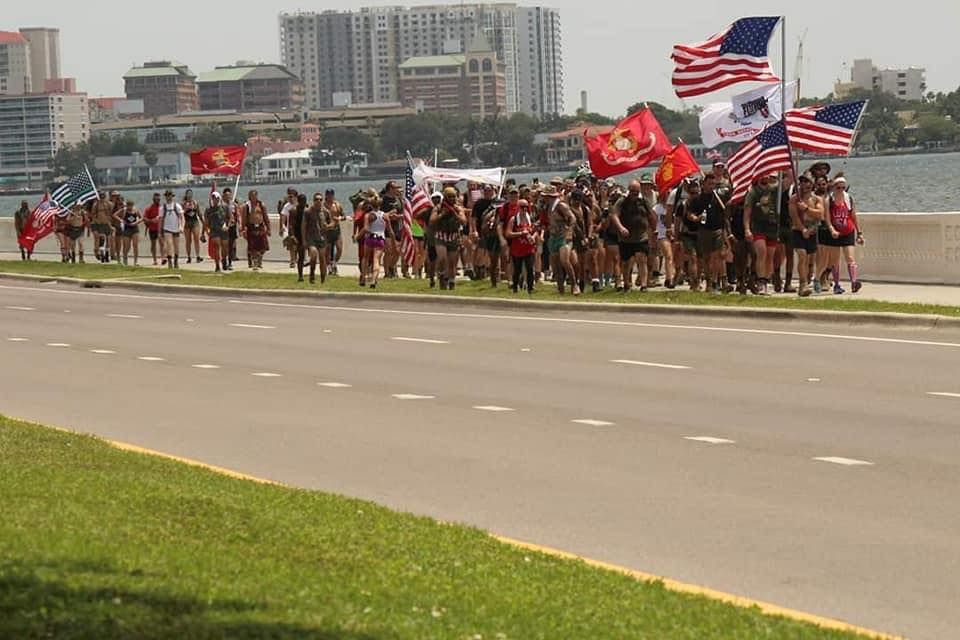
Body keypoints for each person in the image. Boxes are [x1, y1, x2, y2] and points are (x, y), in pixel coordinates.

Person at [610, 180, 657, 293]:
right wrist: (621, 228)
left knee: (641, 259)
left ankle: (644, 285)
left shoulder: (643, 201)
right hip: (626, 237)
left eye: (636, 192)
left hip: (641, 235)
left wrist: (653, 230)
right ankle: (626, 284)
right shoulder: (622, 201)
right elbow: (614, 215)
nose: (634, 194)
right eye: (632, 192)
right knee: (626, 262)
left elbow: (651, 215)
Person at [688, 174, 729, 293]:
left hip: (718, 230)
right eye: (709, 184)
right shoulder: (698, 199)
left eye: (713, 184)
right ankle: (709, 282)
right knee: (706, 258)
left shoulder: (718, 197)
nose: (712, 186)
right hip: (704, 231)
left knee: (717, 256)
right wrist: (696, 218)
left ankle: (716, 281)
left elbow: (727, 209)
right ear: (704, 184)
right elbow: (690, 213)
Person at [825, 176, 864, 294]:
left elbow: (853, 216)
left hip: (848, 231)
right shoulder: (829, 200)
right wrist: (831, 229)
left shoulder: (849, 199)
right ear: (834, 187)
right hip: (835, 233)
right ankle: (837, 284)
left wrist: (859, 233)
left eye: (843, 187)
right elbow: (827, 218)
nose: (841, 189)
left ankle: (854, 282)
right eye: (838, 187)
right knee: (835, 260)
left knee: (850, 258)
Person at [743, 173, 781, 295]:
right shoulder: (753, 192)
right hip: (759, 226)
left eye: (768, 175)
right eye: (763, 175)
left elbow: (788, 181)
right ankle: (761, 282)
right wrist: (747, 229)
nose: (766, 177)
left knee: (770, 255)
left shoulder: (774, 190)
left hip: (772, 226)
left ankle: (766, 279)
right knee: (762, 252)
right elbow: (747, 212)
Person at [789, 174, 824, 297]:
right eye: (802, 182)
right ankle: (802, 284)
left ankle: (809, 277)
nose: (805, 185)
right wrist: (802, 229)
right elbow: (794, 216)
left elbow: (820, 214)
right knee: (802, 256)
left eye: (808, 182)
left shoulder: (817, 199)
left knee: (810, 260)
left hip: (813, 232)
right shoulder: (794, 199)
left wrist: (806, 209)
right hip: (798, 232)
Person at [543, 185, 579, 295]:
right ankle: (560, 288)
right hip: (553, 237)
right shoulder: (547, 207)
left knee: (564, 260)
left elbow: (572, 218)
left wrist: (570, 231)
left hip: (563, 236)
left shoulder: (561, 205)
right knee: (555, 264)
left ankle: (574, 285)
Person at [430, 186, 467, 291]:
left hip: (453, 236)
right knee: (442, 258)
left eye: (453, 196)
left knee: (452, 262)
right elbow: (432, 221)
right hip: (441, 236)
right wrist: (442, 214)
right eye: (449, 196)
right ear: (445, 197)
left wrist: (455, 214)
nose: (451, 199)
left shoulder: (458, 208)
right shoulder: (438, 207)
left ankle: (451, 282)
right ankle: (442, 276)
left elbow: (464, 221)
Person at [359, 190, 393, 289]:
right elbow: (390, 231)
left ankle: (363, 277)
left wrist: (358, 236)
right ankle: (374, 280)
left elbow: (366, 228)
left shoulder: (368, 215)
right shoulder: (385, 216)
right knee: (376, 260)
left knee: (365, 258)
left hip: (369, 238)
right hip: (380, 239)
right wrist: (393, 243)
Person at [505, 198, 539, 294]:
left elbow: (535, 230)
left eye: (526, 207)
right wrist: (520, 233)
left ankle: (530, 288)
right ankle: (515, 287)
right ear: (518, 208)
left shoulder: (530, 218)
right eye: (522, 207)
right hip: (517, 249)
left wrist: (533, 236)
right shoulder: (514, 219)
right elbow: (508, 233)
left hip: (529, 248)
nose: (524, 209)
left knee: (529, 268)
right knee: (517, 269)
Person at [241, 190, 271, 272]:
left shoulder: (261, 205)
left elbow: (265, 217)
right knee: (253, 247)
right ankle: (255, 263)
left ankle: (260, 259)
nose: (254, 198)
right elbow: (243, 219)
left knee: (263, 246)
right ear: (249, 197)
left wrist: (268, 228)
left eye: (255, 196)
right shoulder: (246, 206)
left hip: (260, 227)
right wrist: (243, 229)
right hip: (251, 227)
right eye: (252, 196)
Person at [380, 181, 405, 278]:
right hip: (386, 229)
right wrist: (390, 215)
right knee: (388, 251)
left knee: (397, 251)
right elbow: (380, 215)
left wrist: (398, 216)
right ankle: (387, 273)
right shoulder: (383, 200)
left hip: (397, 228)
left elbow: (403, 213)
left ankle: (391, 267)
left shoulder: (398, 200)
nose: (397, 189)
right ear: (390, 189)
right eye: (395, 187)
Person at [204, 192, 229, 273]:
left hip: (223, 230)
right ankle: (217, 265)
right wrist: (204, 231)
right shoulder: (208, 210)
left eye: (217, 198)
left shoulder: (225, 207)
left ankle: (224, 260)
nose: (215, 200)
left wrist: (227, 226)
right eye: (214, 198)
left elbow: (230, 218)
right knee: (216, 246)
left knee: (224, 247)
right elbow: (206, 222)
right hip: (214, 230)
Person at [113, 199, 143, 266]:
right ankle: (125, 259)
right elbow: (114, 215)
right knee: (127, 246)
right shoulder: (124, 210)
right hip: (127, 228)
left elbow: (141, 218)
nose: (130, 207)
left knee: (135, 245)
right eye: (128, 206)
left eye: (131, 206)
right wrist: (121, 220)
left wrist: (136, 222)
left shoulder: (135, 210)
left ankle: (136, 261)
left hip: (134, 228)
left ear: (133, 205)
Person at [159, 190, 184, 269]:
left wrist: (181, 226)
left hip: (176, 228)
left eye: (170, 195)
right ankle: (170, 261)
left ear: (172, 196)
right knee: (169, 244)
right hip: (167, 228)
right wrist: (160, 231)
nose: (168, 197)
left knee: (176, 246)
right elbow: (161, 219)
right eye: (167, 195)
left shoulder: (177, 206)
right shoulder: (163, 208)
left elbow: (181, 217)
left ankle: (176, 261)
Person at [323, 189, 345, 276]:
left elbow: (343, 216)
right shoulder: (323, 206)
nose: (330, 196)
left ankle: (334, 264)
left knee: (339, 249)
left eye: (331, 195)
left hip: (336, 230)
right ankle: (329, 268)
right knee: (327, 251)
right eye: (328, 195)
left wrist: (338, 218)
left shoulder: (337, 205)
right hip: (327, 231)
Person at [89, 193, 115, 263]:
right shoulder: (96, 205)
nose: (102, 199)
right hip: (99, 224)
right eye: (101, 197)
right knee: (102, 239)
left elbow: (112, 212)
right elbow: (93, 214)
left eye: (103, 197)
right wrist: (96, 221)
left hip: (107, 223)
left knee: (109, 239)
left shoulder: (109, 204)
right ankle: (102, 254)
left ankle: (107, 254)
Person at [182, 189, 203, 264]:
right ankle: (189, 257)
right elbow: (181, 214)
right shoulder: (183, 203)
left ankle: (198, 256)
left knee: (196, 239)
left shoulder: (195, 202)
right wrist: (185, 209)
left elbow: (199, 213)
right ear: (186, 195)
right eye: (188, 194)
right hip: (187, 222)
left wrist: (203, 222)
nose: (190, 195)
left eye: (191, 194)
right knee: (188, 240)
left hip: (195, 222)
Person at [280, 188, 299, 268]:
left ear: (295, 197)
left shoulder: (299, 205)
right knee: (292, 245)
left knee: (298, 245)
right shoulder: (286, 206)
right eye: (289, 197)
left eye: (291, 197)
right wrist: (282, 226)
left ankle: (297, 258)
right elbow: (283, 216)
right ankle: (292, 261)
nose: (290, 198)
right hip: (290, 228)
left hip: (299, 228)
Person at [142, 193, 162, 265]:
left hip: (161, 228)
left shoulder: (162, 207)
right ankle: (155, 259)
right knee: (153, 244)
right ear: (153, 200)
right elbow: (144, 218)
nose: (158, 200)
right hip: (152, 229)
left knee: (162, 243)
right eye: (156, 199)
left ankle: (163, 258)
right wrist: (151, 221)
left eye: (159, 199)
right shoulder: (149, 208)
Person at [222, 188, 239, 270]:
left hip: (232, 227)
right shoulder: (221, 205)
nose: (228, 197)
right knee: (225, 245)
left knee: (231, 245)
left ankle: (230, 261)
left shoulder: (234, 205)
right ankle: (224, 260)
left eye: (229, 195)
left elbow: (237, 215)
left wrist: (239, 224)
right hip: (224, 227)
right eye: (226, 195)